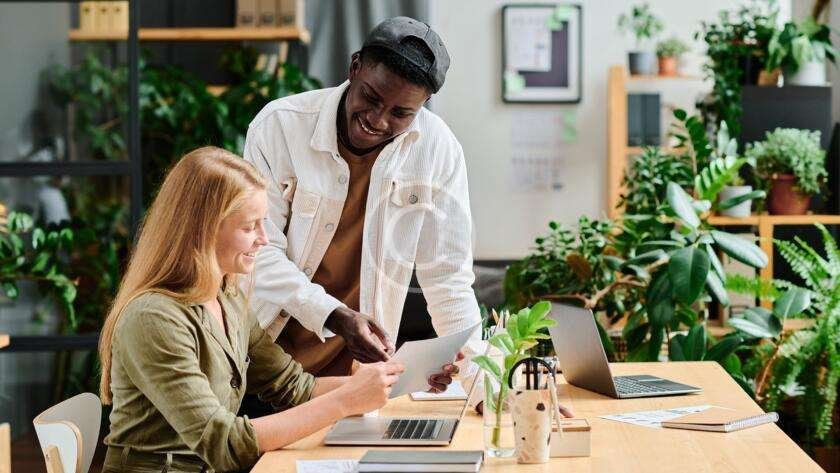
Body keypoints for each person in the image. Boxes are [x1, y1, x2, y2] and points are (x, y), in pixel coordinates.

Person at [98, 147, 405, 472]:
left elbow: (294, 387)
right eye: (249, 227)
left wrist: (384, 381)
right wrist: (344, 400)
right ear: (203, 231)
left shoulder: (228, 297)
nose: (263, 239)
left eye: (263, 223)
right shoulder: (154, 318)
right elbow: (225, 444)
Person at [243, 16, 480, 386]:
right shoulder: (280, 126)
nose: (377, 120)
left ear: (425, 103)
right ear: (355, 67)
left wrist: (484, 390)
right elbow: (258, 251)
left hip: (357, 381)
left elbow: (448, 279)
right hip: (263, 366)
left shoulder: (439, 151)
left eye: (401, 113)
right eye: (371, 97)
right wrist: (334, 315)